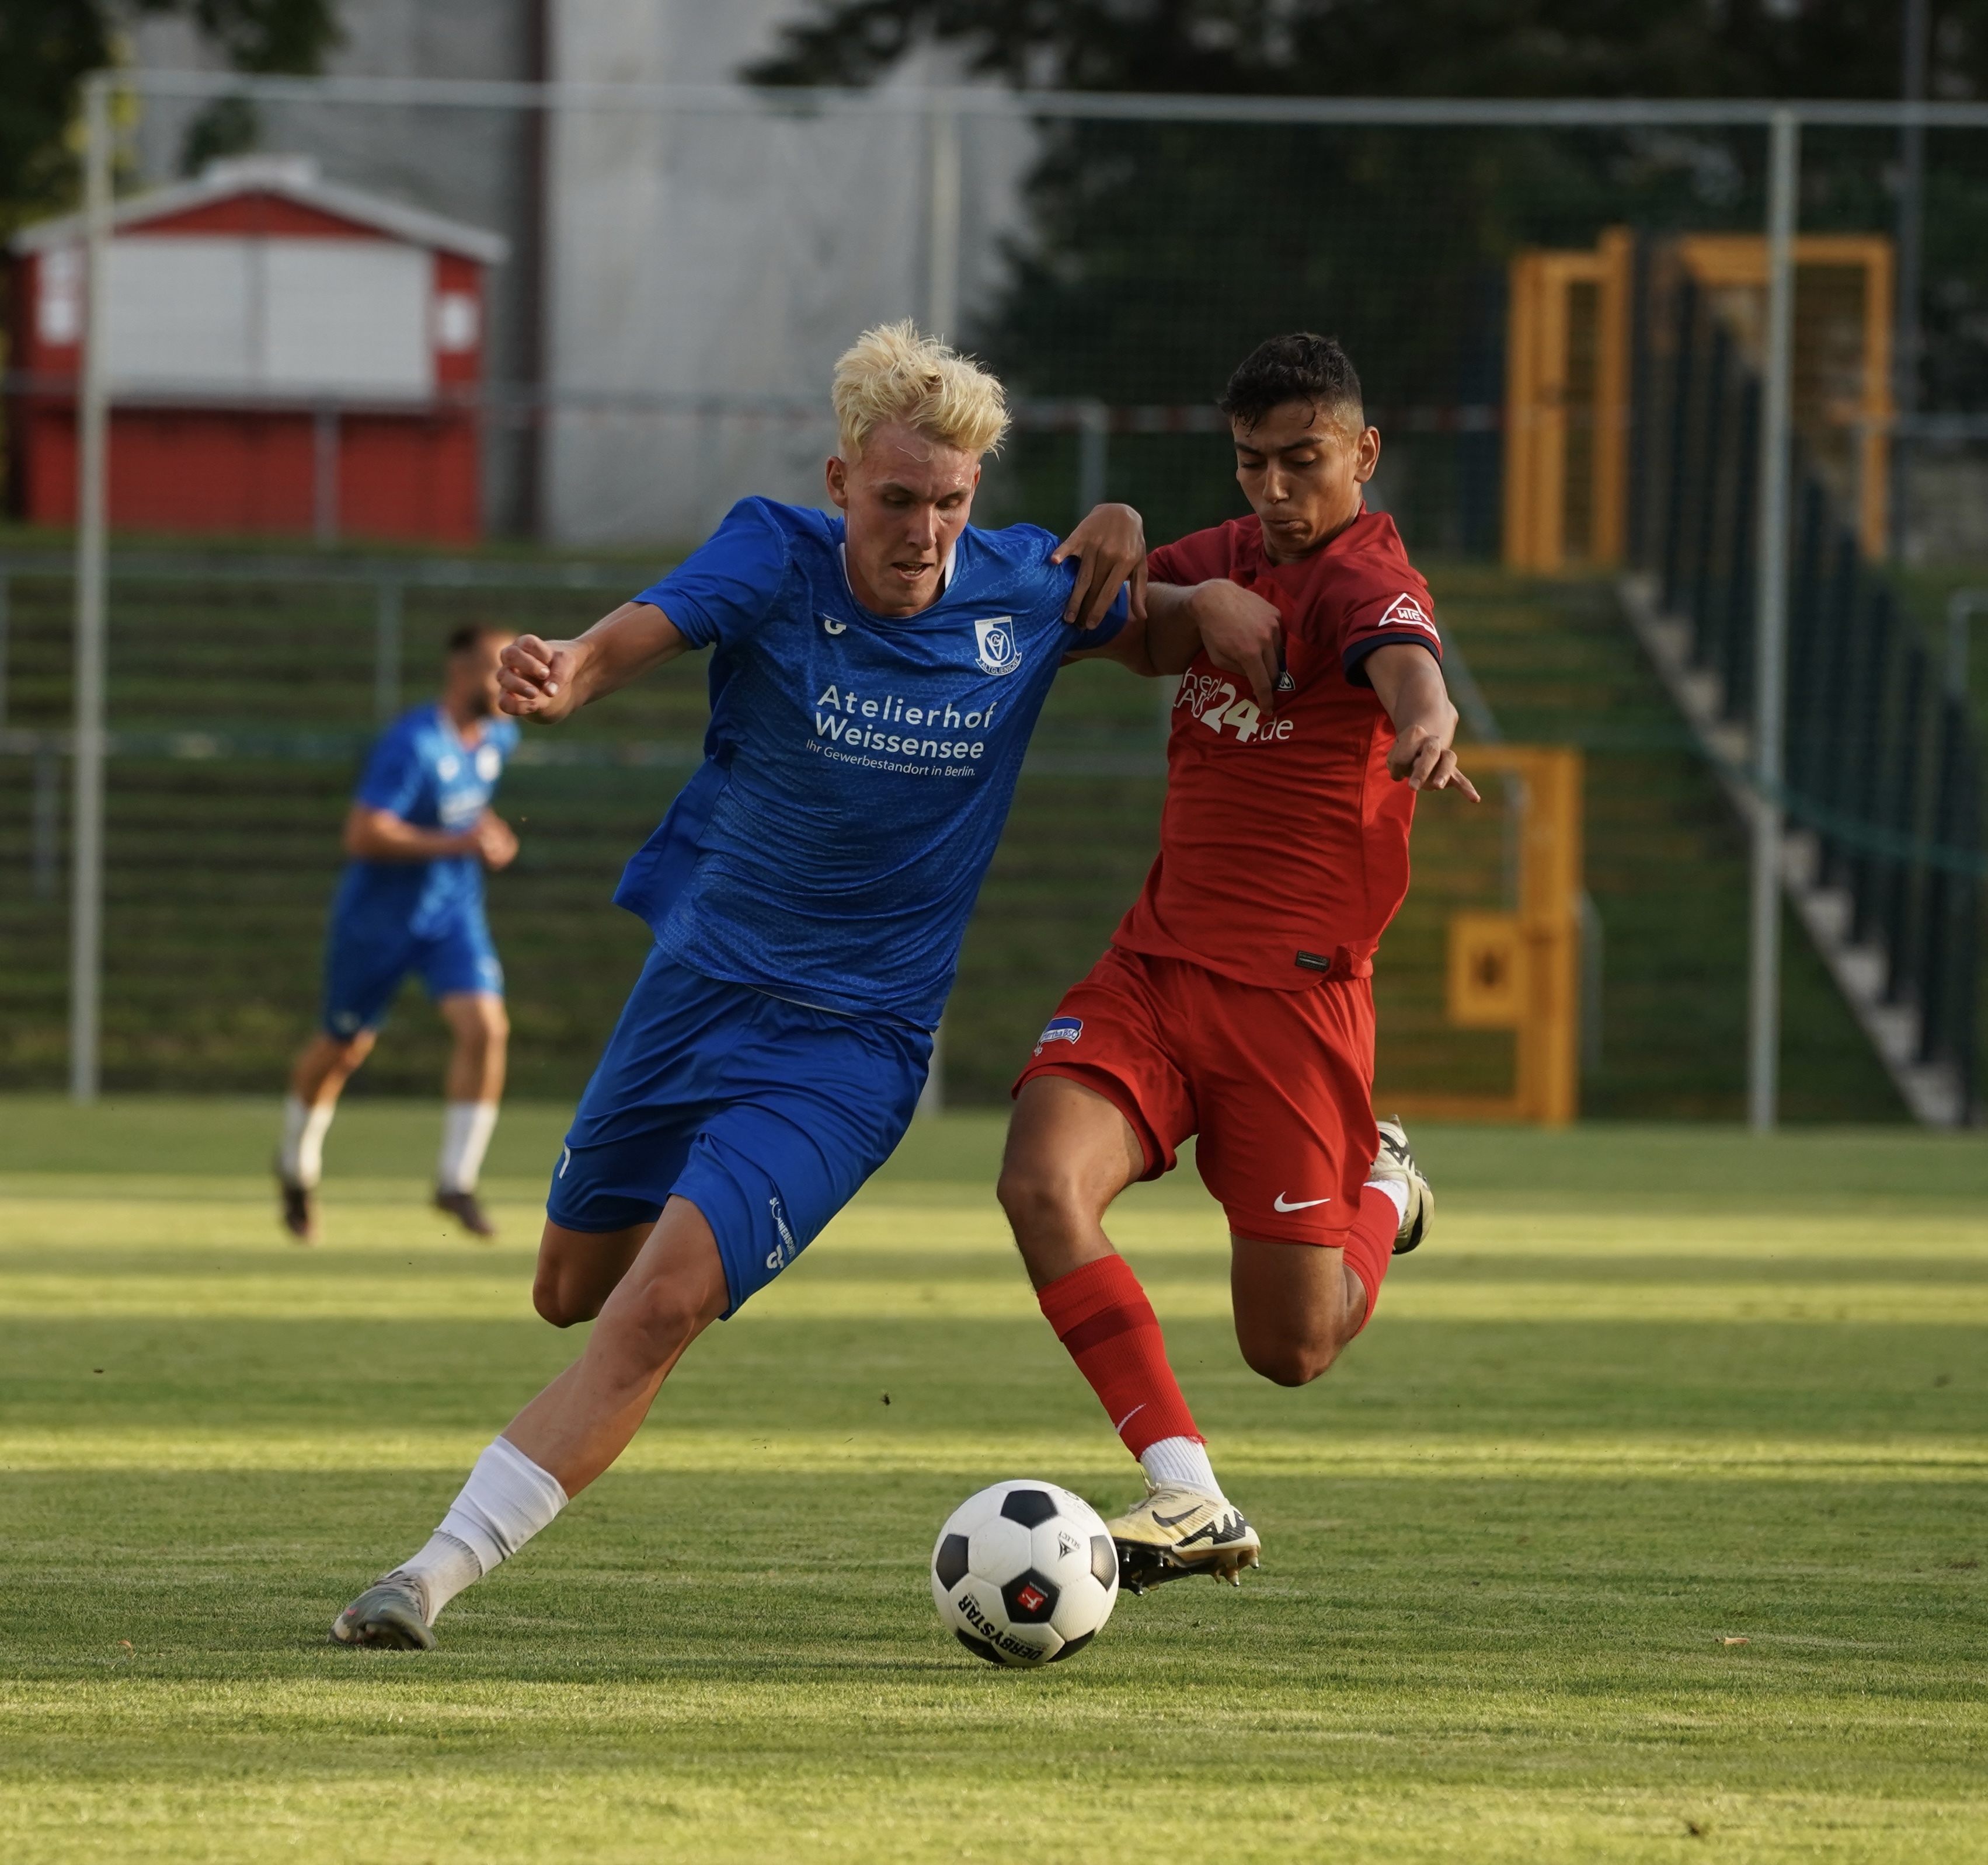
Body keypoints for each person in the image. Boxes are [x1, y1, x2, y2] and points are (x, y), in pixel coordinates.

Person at [328, 322, 1197, 1649]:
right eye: (896, 498)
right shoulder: (772, 554)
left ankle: (427, 1575)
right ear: (841, 479)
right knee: (570, 1285)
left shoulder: (1026, 590)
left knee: (659, 1303)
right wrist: (559, 672)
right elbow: (629, 638)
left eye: (950, 504)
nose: (921, 531)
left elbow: (1185, 625)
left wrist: (1151, 540)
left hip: (851, 1047)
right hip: (694, 992)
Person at [997, 332, 1480, 1592]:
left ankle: (1381, 1191)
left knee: (1293, 1347)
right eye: (1253, 462)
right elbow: (1091, 622)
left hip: (1292, 1004)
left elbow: (1406, 661)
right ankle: (1187, 1492)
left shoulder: (1365, 574)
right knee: (1041, 1183)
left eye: (1303, 461)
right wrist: (1119, 536)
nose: (1274, 489)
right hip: (1154, 971)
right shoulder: (1223, 557)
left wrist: (1426, 725)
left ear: (1362, 455)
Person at [276, 623, 521, 1245]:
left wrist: (487, 831)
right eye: (498, 666)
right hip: (378, 923)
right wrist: (460, 842)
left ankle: (454, 1182)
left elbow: (465, 805)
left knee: (487, 1029)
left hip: (451, 917)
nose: (508, 678)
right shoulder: (412, 744)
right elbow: (363, 834)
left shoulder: (499, 734)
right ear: (460, 672)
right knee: (342, 1050)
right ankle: (296, 1166)